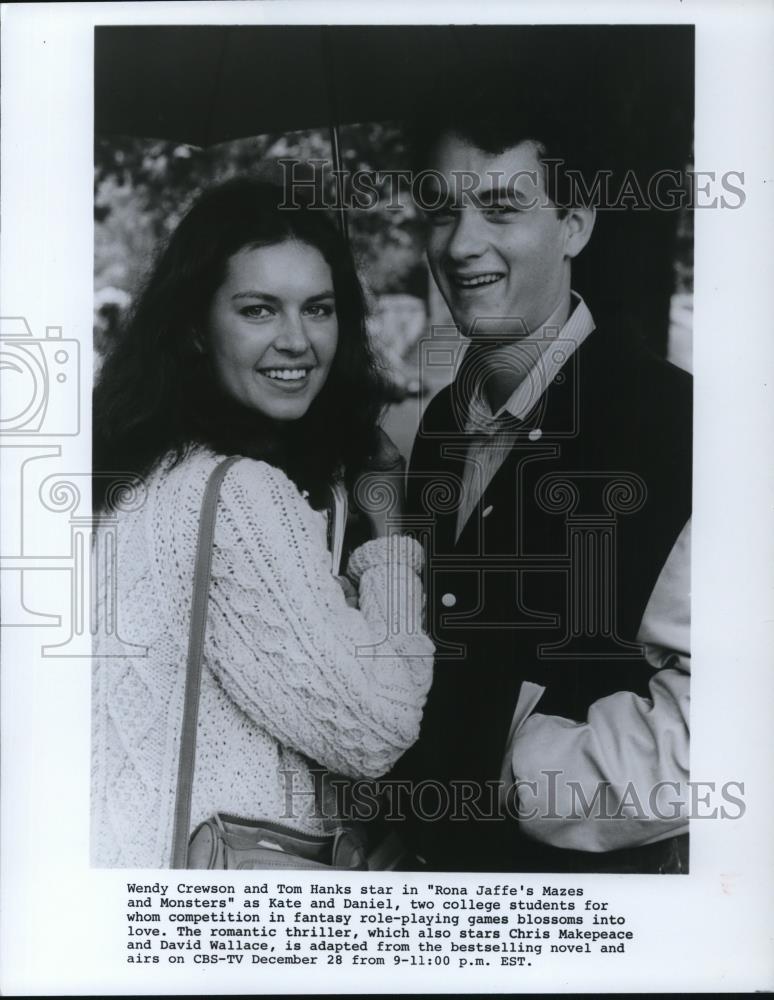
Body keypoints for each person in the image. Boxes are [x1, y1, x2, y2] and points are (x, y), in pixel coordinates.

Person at [90, 178, 434, 869]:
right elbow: (378, 730)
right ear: (195, 325)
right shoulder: (240, 496)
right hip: (232, 910)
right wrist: (390, 533)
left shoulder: (140, 470)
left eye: (319, 309)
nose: (297, 341)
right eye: (258, 310)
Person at [395, 102, 692, 873]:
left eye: (501, 207)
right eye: (441, 209)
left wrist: (516, 776)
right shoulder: (437, 429)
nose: (462, 244)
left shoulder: (677, 427)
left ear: (575, 225)